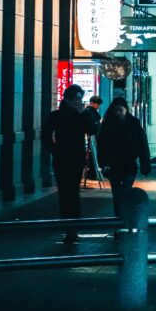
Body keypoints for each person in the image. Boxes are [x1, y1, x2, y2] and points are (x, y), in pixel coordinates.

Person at [42, 84, 98, 244]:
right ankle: (69, 226)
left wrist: (84, 113)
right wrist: (55, 150)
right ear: (67, 100)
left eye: (80, 99)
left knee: (72, 191)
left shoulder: (81, 115)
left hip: (76, 158)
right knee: (66, 192)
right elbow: (46, 134)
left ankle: (72, 227)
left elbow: (92, 130)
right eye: (75, 100)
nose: (78, 102)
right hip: (63, 158)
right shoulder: (57, 115)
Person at [97, 98, 151, 224]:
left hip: (129, 165)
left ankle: (123, 219)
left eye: (120, 110)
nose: (118, 113)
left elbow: (143, 144)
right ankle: (120, 220)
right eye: (116, 110)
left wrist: (145, 164)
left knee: (124, 192)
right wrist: (103, 164)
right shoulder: (107, 124)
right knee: (116, 194)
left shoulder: (133, 123)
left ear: (126, 110)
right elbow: (101, 146)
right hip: (113, 166)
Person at [81, 95, 104, 183]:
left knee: (93, 156)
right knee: (92, 156)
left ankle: (93, 173)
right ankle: (92, 174)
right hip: (92, 136)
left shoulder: (92, 112)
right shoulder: (89, 112)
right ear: (92, 103)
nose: (98, 106)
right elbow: (91, 126)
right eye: (97, 104)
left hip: (94, 136)